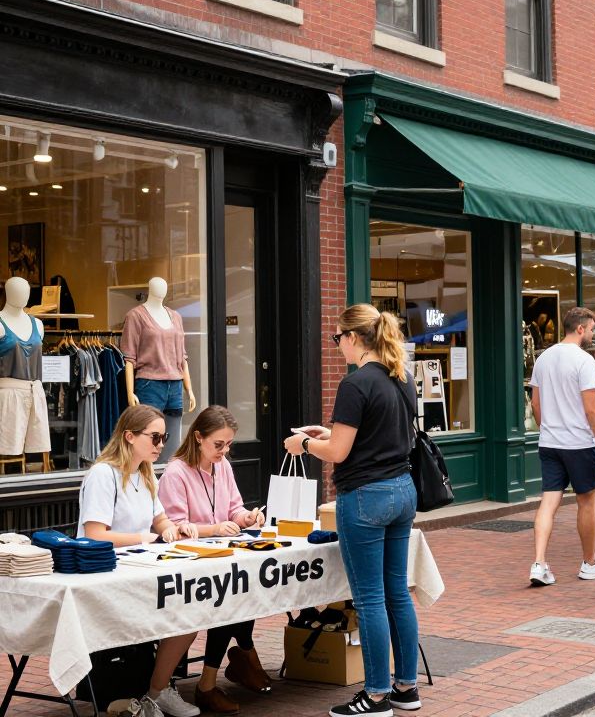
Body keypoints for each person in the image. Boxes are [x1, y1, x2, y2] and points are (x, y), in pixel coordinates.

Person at [284, 304, 421, 717]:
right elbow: (378, 435)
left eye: (337, 338)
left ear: (354, 337)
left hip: (364, 496)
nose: (336, 345)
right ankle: (406, 688)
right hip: (402, 490)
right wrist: (326, 433)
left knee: (369, 599)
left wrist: (304, 445)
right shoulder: (402, 377)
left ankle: (376, 695)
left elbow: (340, 452)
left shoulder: (355, 384)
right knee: (398, 592)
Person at [77, 404, 200, 717]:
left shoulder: (145, 473)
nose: (161, 445)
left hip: (138, 571)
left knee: (193, 613)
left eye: (164, 437)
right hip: (105, 576)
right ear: (129, 436)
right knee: (184, 613)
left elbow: (160, 521)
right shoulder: (103, 475)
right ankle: (153, 692)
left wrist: (173, 529)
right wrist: (145, 538)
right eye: (155, 437)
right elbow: (94, 535)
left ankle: (156, 692)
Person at [158, 406, 270, 714]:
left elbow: (234, 508)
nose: (224, 451)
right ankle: (235, 665)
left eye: (229, 444)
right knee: (230, 598)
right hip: (189, 563)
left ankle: (234, 666)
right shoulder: (176, 472)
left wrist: (246, 517)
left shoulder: (223, 467)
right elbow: (177, 526)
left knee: (244, 591)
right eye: (218, 444)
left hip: (221, 556)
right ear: (198, 438)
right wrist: (216, 528)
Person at [528, 307, 595, 587]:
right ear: (580, 328)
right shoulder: (583, 360)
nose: (592, 334)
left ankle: (539, 563)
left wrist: (547, 430)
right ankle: (590, 563)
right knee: (586, 502)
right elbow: (592, 410)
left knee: (548, 502)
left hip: (550, 442)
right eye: (591, 329)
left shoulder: (543, 358)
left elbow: (535, 404)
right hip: (579, 443)